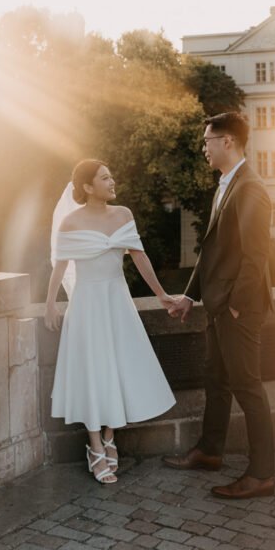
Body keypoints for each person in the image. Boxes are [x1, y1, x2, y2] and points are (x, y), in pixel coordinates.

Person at [164, 112, 275, 499]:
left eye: (208, 140)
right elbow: (212, 252)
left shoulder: (250, 188)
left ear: (228, 141)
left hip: (236, 309)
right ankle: (210, 452)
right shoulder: (226, 184)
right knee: (216, 380)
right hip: (218, 304)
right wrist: (190, 296)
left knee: (248, 387)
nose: (204, 148)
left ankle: (261, 474)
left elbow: (257, 256)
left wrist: (236, 307)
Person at [45, 158, 176, 485]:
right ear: (88, 186)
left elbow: (140, 256)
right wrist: (50, 304)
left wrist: (161, 294)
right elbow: (59, 267)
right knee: (92, 371)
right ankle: (93, 446)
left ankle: (108, 435)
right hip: (87, 304)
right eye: (105, 178)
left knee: (117, 367)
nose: (112, 181)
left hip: (117, 302)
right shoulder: (71, 223)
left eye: (111, 176)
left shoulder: (123, 215)